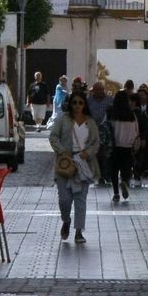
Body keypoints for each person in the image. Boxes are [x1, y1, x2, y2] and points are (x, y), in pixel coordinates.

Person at [49, 92, 99, 244]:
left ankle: (79, 231)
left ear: (85, 105)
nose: (77, 106)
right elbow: (53, 136)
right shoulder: (63, 119)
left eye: (80, 103)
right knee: (64, 199)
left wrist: (87, 153)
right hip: (65, 162)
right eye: (75, 102)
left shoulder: (90, 122)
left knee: (80, 200)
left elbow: (95, 142)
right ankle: (66, 220)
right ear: (70, 104)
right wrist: (62, 150)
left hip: (83, 164)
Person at [106, 89, 139, 203]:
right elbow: (136, 131)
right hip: (128, 147)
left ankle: (116, 193)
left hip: (115, 146)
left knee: (114, 170)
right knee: (126, 168)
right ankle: (124, 181)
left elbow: (105, 127)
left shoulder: (112, 113)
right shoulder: (132, 115)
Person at [86, 82, 113, 185]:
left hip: (106, 131)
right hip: (93, 130)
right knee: (96, 153)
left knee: (105, 153)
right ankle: (99, 175)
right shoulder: (89, 101)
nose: (97, 92)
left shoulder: (110, 100)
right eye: (95, 90)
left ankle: (106, 174)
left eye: (99, 90)